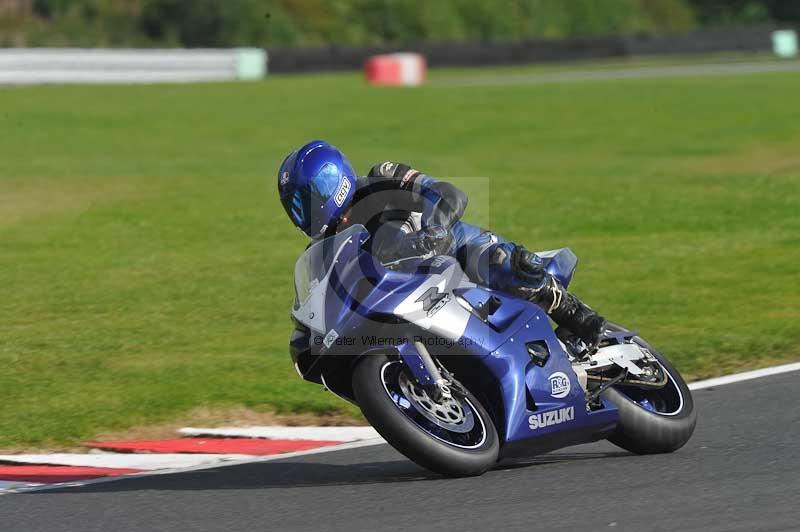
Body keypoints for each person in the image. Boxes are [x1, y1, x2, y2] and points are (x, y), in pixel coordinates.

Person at [278, 139, 606, 349]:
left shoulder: (383, 178)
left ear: (331, 181)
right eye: (294, 206)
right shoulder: (325, 251)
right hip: (404, 300)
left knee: (498, 261)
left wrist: (436, 228)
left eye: (305, 200)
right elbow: (321, 303)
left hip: (453, 255)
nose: (301, 212)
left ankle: (576, 313)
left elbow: (449, 193)